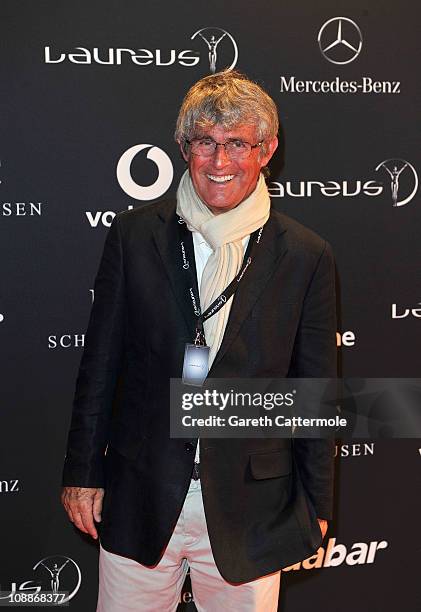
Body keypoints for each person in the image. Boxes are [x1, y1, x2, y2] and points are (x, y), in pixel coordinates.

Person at [61, 70, 336, 612]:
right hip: (139, 490)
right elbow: (100, 365)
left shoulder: (306, 255)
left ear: (268, 150)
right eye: (206, 142)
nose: (219, 161)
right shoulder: (134, 235)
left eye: (238, 143)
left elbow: (315, 390)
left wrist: (317, 501)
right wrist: (82, 473)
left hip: (251, 506)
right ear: (184, 147)